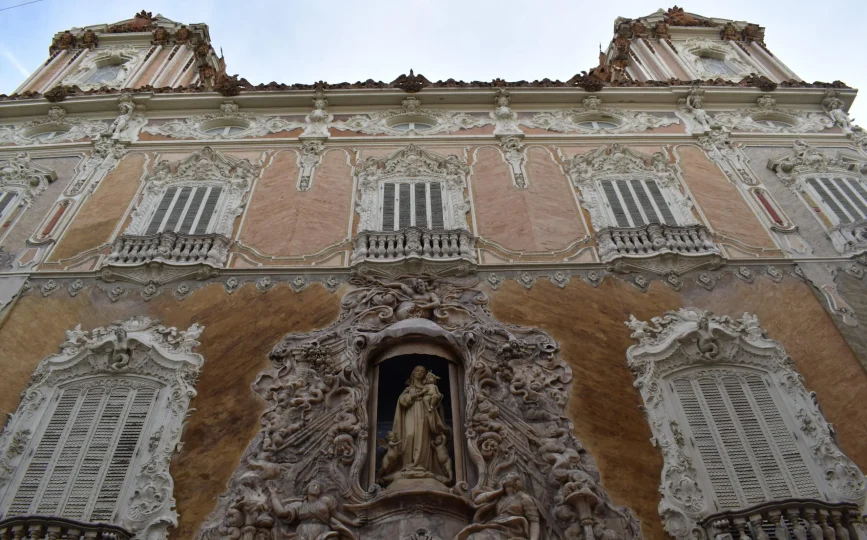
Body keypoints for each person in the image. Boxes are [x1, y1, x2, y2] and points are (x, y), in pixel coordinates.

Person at [454, 473, 541, 540]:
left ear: (516, 483)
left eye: (510, 476)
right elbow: (477, 500)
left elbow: (534, 520)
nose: (507, 477)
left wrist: (533, 539)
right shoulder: (498, 497)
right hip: (494, 525)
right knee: (472, 538)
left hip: (512, 529)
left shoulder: (524, 498)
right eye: (506, 476)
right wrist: (499, 491)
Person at [269, 481, 360, 540]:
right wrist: (273, 494)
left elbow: (335, 514)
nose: (316, 488)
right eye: (313, 485)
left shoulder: (325, 502)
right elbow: (281, 513)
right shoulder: (300, 505)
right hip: (303, 534)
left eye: (318, 487)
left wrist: (351, 522)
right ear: (307, 488)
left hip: (323, 532)